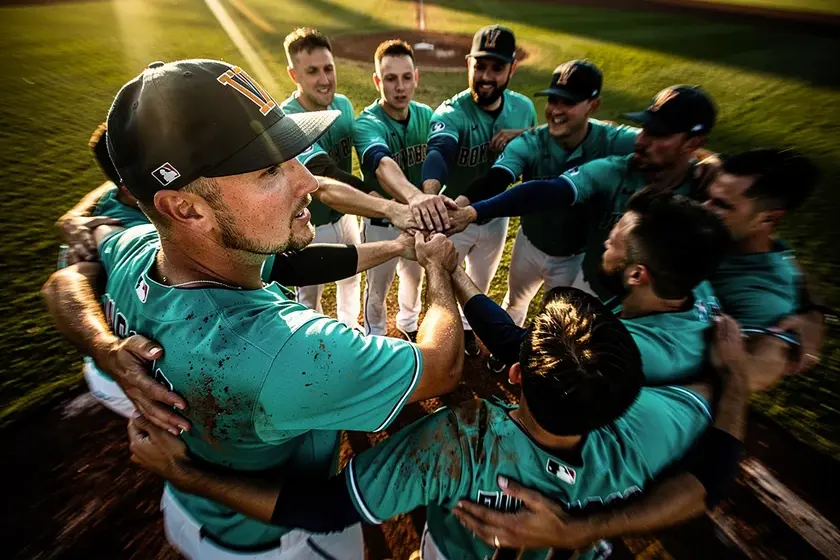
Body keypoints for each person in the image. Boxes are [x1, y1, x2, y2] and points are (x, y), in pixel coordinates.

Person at [40, 58, 465, 559]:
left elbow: (63, 281)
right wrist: (436, 267)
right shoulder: (281, 349)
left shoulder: (145, 245)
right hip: (282, 540)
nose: (307, 182)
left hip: (192, 512)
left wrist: (105, 346)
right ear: (187, 208)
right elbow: (440, 365)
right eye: (269, 170)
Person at [127, 288, 736, 560]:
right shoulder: (651, 422)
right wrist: (734, 376)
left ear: (515, 376)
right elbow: (712, 471)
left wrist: (189, 475)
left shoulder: (462, 441)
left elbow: (327, 509)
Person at [449, 85, 718, 304]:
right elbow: (550, 190)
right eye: (645, 129)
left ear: (693, 143)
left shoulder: (708, 191)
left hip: (649, 307)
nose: (642, 140)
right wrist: (473, 211)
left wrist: (712, 162)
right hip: (592, 287)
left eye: (658, 134)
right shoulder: (615, 169)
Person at [469, 190, 730, 384]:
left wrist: (452, 271)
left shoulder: (615, 348)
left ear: (637, 275)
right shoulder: (690, 281)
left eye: (614, 242)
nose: (605, 243)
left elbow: (515, 346)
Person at [421, 24, 538, 356]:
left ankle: (470, 329)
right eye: (480, 66)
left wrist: (523, 136)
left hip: (495, 219)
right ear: (468, 65)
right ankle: (445, 337)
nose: (487, 76)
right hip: (453, 217)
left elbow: (532, 154)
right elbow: (439, 152)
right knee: (444, 280)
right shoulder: (452, 111)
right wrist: (431, 193)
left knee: (480, 280)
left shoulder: (523, 110)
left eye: (497, 68)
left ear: (511, 69)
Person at [280, 27, 365, 329]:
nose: (324, 79)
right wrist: (380, 200)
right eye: (312, 71)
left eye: (328, 68)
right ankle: (314, 349)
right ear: (294, 75)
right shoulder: (287, 118)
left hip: (345, 214)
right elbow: (328, 173)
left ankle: (352, 329)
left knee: (352, 278)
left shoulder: (342, 105)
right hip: (307, 222)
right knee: (308, 299)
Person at [353, 40, 432, 339]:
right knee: (377, 287)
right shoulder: (367, 123)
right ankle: (375, 337)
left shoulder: (426, 115)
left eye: (406, 77)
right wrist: (416, 198)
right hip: (381, 223)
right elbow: (382, 164)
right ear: (377, 81)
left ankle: (408, 325)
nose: (400, 87)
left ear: (416, 78)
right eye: (390, 78)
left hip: (418, 221)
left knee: (414, 278)